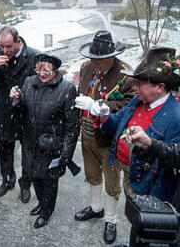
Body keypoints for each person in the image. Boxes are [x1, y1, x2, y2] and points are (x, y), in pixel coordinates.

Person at [95, 47, 180, 204]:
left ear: (160, 87)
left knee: (144, 225)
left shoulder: (176, 116)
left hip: (150, 188)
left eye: (139, 83)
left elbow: (175, 158)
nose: (133, 87)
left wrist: (150, 144)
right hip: (130, 176)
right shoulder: (138, 101)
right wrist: (106, 117)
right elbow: (118, 121)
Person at [74, 30, 134, 244]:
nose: (95, 63)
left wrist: (102, 106)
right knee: (92, 173)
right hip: (87, 132)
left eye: (100, 60)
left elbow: (130, 104)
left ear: (112, 56)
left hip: (109, 136)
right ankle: (96, 208)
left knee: (111, 180)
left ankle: (111, 219)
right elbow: (82, 90)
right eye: (93, 58)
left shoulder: (125, 74)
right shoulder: (86, 68)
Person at [10, 53, 79, 228]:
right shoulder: (28, 83)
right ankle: (41, 204)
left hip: (52, 146)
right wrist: (16, 102)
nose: (41, 73)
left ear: (55, 71)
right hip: (31, 141)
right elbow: (21, 114)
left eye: (46, 70)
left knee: (49, 181)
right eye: (39, 69)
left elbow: (72, 127)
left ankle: (46, 212)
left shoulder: (67, 89)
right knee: (34, 176)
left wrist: (66, 153)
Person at [0, 26, 38, 202]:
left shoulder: (34, 56)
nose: (4, 51)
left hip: (25, 112)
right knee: (5, 149)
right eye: (2, 46)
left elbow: (41, 84)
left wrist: (23, 94)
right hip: (3, 111)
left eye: (8, 46)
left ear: (18, 42)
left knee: (28, 151)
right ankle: (7, 180)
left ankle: (25, 184)